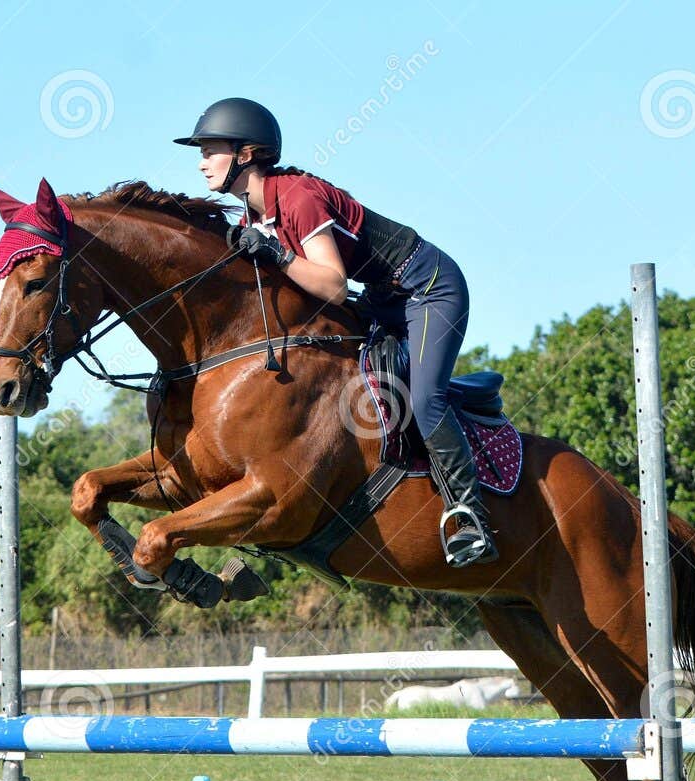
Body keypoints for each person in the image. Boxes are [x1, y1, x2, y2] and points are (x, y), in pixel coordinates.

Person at [174, 96, 493, 567]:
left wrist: (275, 255)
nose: (201, 163)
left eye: (209, 150)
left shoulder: (298, 197)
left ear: (245, 155)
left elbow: (334, 285)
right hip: (387, 298)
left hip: (428, 288)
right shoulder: (254, 215)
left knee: (425, 400)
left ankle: (470, 516)